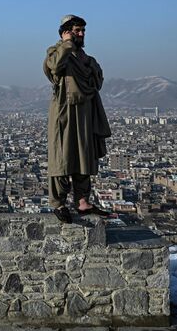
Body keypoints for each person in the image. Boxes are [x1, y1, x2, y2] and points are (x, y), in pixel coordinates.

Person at [43, 15, 112, 224]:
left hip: (84, 113)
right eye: (76, 31)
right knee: (62, 156)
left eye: (83, 31)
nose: (81, 34)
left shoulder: (85, 59)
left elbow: (97, 80)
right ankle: (59, 202)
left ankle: (82, 201)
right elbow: (53, 67)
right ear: (66, 32)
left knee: (84, 155)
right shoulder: (56, 53)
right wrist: (65, 45)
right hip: (64, 111)